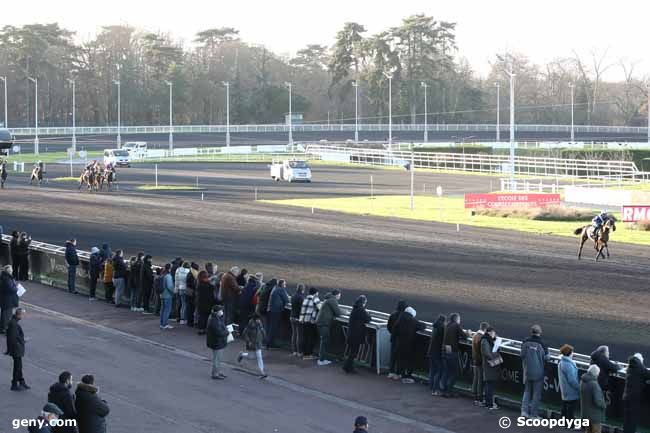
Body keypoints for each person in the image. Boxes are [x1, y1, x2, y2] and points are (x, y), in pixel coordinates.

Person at [520, 324, 549, 418]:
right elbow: (546, 357)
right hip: (538, 372)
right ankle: (533, 414)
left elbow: (522, 355)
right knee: (536, 394)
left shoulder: (525, 342)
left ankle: (524, 412)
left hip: (527, 371)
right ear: (540, 332)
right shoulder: (542, 344)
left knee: (527, 392)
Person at [392, 306, 425, 383]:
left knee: (400, 359)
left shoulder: (400, 319)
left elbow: (394, 330)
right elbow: (421, 326)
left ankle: (398, 373)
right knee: (407, 361)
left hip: (398, 343)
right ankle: (405, 377)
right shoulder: (411, 320)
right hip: (408, 344)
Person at [440, 313, 468, 397]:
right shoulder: (456, 325)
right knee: (454, 372)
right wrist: (468, 333)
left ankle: (444, 390)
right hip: (452, 352)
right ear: (456, 319)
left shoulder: (447, 325)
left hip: (444, 350)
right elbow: (464, 336)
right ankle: (449, 391)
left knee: (446, 371)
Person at [622, 353, 650, 433]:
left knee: (627, 420)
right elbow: (647, 374)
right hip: (634, 399)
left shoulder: (630, 366)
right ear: (640, 360)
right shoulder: (639, 367)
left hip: (627, 397)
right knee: (632, 420)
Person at [343, 295, 371, 374]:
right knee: (354, 352)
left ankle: (348, 367)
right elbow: (368, 319)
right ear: (363, 302)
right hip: (356, 335)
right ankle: (347, 367)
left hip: (351, 333)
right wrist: (368, 314)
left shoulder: (355, 308)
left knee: (352, 351)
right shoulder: (361, 309)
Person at [237, 313, 267, 379]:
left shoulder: (260, 324)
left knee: (259, 357)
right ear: (254, 319)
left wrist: (263, 335)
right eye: (257, 319)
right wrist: (248, 341)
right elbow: (245, 333)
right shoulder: (250, 325)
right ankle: (241, 354)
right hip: (252, 344)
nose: (259, 320)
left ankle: (262, 372)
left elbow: (263, 332)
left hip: (258, 343)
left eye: (259, 319)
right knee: (251, 357)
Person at [7, 307, 29, 391]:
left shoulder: (14, 322)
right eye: (23, 314)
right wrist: (22, 341)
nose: (23, 316)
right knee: (17, 367)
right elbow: (13, 338)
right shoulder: (14, 324)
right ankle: (14, 384)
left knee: (19, 366)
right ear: (19, 314)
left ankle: (21, 381)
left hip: (16, 348)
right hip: (16, 349)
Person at [481, 326, 502, 410]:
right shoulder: (485, 340)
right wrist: (495, 357)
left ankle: (488, 402)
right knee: (489, 384)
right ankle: (489, 404)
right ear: (490, 332)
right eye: (494, 333)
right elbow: (487, 353)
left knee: (489, 384)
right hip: (488, 364)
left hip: (489, 364)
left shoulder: (487, 340)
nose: (494, 335)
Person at [558, 344, 580, 422]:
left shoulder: (562, 362)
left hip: (565, 390)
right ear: (570, 353)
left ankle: (563, 422)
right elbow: (572, 380)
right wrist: (579, 388)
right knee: (570, 409)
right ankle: (569, 424)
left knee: (565, 407)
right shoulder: (568, 364)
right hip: (570, 390)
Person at [580, 365, 606, 433]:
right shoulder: (594, 384)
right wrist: (604, 405)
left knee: (587, 431)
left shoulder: (583, 381)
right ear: (596, 374)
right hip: (594, 416)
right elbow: (598, 401)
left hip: (585, 414)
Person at [206, 305, 229, 380]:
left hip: (218, 342)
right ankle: (215, 373)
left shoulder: (216, 318)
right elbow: (218, 332)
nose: (222, 312)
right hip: (217, 342)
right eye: (221, 310)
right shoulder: (214, 320)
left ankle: (218, 371)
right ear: (217, 312)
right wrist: (227, 332)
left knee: (219, 358)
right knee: (217, 359)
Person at [298, 287, 321, 360]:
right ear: (315, 293)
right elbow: (320, 308)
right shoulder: (315, 299)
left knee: (305, 337)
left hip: (304, 320)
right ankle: (308, 354)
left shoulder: (305, 298)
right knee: (311, 338)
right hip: (311, 321)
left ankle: (304, 353)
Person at [387, 300, 407, 380]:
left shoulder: (393, 314)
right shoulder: (405, 316)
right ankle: (398, 373)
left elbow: (389, 326)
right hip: (401, 340)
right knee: (400, 357)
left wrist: (393, 333)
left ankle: (391, 372)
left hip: (394, 338)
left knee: (393, 356)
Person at [267, 279, 290, 348]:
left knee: (271, 327)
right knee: (274, 327)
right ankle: (270, 343)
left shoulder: (275, 289)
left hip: (272, 310)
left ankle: (269, 342)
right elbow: (287, 300)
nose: (285, 285)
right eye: (285, 284)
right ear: (282, 284)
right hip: (277, 311)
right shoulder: (281, 290)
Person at [427, 314, 446, 395]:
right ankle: (435, 389)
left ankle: (431, 386)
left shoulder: (435, 327)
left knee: (432, 369)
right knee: (439, 370)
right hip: (437, 352)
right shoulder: (442, 328)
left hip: (431, 351)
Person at [472, 322, 489, 405]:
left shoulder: (475, 335)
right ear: (485, 329)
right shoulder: (481, 337)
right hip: (480, 361)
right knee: (480, 380)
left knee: (476, 378)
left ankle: (475, 396)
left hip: (475, 360)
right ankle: (479, 398)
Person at [0, 264, 19, 334]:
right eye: (11, 270)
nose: (12, 271)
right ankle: (4, 328)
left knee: (6, 314)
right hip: (7, 300)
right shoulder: (6, 279)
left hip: (6, 299)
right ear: (9, 271)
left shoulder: (5, 277)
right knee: (6, 315)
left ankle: (4, 327)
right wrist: (16, 288)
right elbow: (11, 289)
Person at [290, 284, 305, 356]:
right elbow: (302, 308)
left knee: (294, 334)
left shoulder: (293, 296)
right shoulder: (301, 297)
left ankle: (294, 351)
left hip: (292, 316)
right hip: (298, 318)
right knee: (299, 335)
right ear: (302, 290)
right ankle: (299, 352)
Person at [159, 264, 174, 329]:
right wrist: (173, 292)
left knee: (162, 309)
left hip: (162, 294)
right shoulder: (168, 276)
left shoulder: (162, 275)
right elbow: (170, 286)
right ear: (169, 269)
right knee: (167, 310)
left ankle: (162, 323)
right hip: (167, 295)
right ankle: (165, 324)